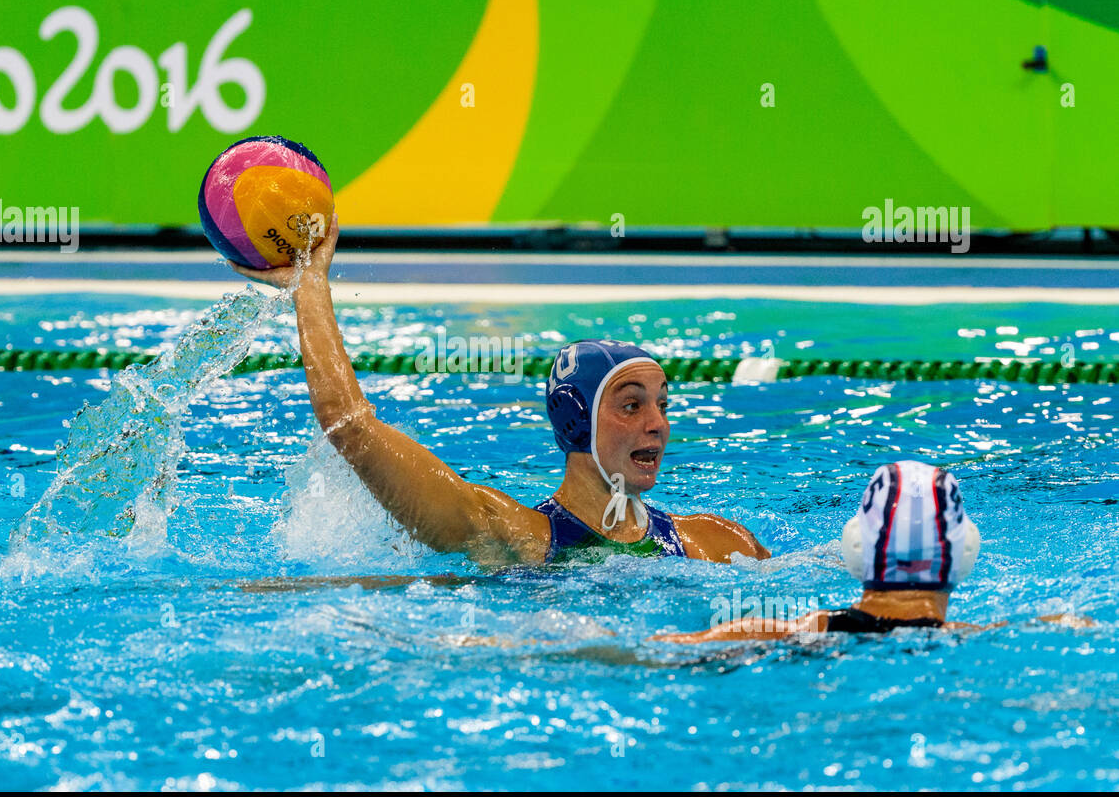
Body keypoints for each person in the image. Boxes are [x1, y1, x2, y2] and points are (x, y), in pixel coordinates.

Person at [228, 214, 769, 568]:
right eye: (632, 404)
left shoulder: (720, 543)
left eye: (662, 404)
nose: (657, 423)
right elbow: (349, 424)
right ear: (576, 421)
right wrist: (310, 286)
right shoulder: (512, 538)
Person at [653, 460, 1088, 643]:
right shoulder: (991, 636)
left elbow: (657, 650)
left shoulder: (775, 633)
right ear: (966, 552)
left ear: (856, 548)